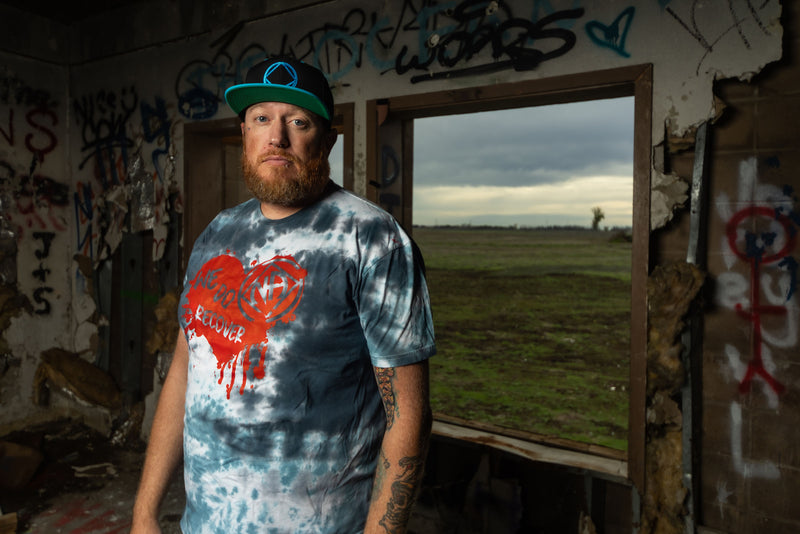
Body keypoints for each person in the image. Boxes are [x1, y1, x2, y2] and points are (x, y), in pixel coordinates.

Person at [131, 56, 436, 534]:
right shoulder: (217, 234)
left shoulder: (371, 239)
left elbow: (410, 418)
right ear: (245, 133)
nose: (277, 137)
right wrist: (145, 513)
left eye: (298, 121)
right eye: (261, 119)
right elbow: (185, 370)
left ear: (327, 139)